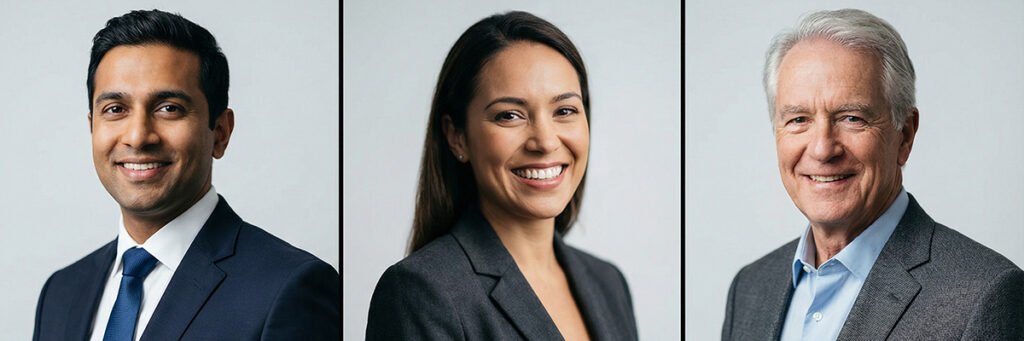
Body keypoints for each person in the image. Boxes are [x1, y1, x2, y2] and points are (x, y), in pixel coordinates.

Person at [33, 9, 339, 340]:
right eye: (115, 109)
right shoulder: (60, 293)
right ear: (92, 126)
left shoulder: (288, 288)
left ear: (220, 132)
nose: (138, 136)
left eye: (169, 108)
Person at [721, 8, 1024, 340]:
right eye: (798, 120)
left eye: (852, 118)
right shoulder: (750, 289)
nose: (822, 149)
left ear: (904, 135)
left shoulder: (983, 295)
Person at [365, 10, 638, 340]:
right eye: (509, 115)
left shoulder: (609, 283)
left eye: (565, 110)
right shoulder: (421, 292)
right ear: (457, 137)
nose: (545, 141)